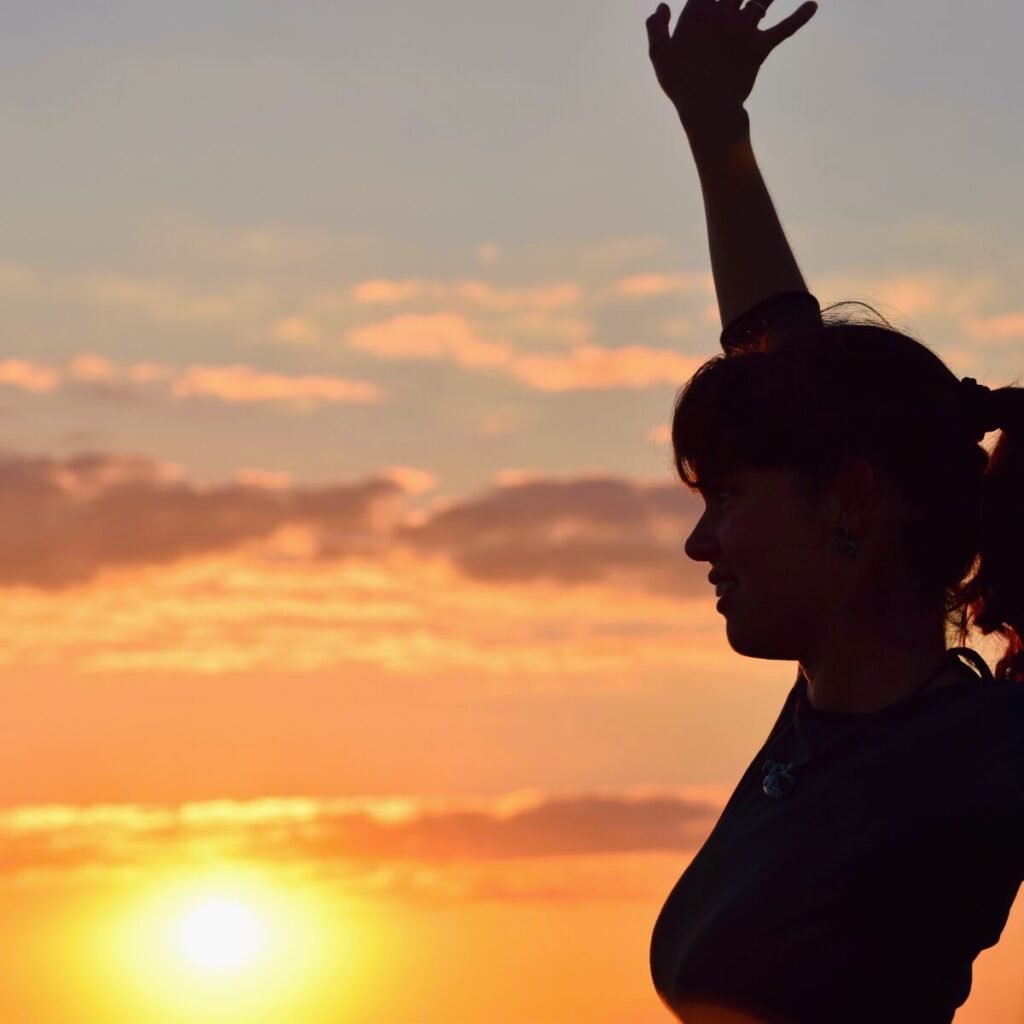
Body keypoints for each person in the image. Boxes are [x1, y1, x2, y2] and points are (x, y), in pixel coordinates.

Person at [643, 2, 1024, 1022]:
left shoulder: (983, 755)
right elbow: (785, 360)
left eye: (726, 496)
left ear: (852, 499)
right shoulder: (826, 725)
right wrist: (716, 128)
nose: (698, 541)